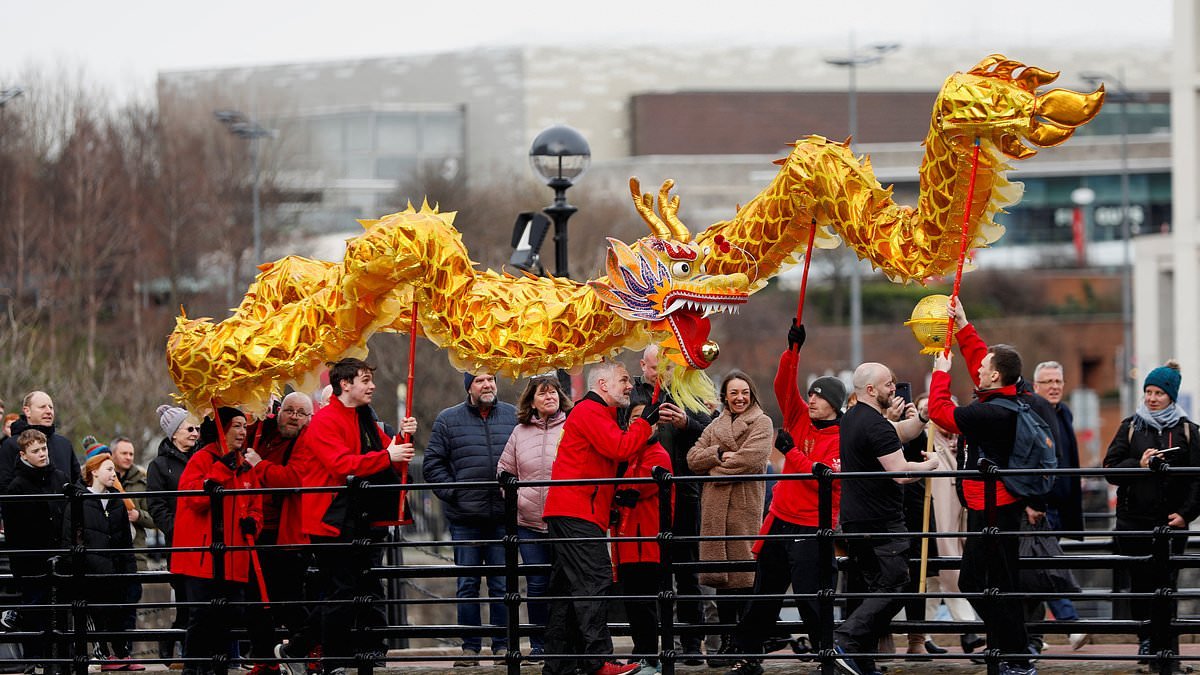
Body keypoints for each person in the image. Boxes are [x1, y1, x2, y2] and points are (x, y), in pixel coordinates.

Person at [927, 299, 1041, 675]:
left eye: (984, 369)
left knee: (979, 582)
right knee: (996, 580)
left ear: (995, 378)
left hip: (990, 505)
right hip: (997, 501)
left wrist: (940, 373)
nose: (978, 368)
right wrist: (963, 326)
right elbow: (984, 358)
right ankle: (1014, 653)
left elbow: (941, 413)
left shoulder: (987, 413)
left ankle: (1015, 654)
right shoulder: (1013, 396)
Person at [725, 321, 846, 675]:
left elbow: (825, 480)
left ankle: (827, 655)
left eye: (819, 396)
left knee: (811, 597)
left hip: (811, 527)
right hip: (780, 519)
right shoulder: (799, 417)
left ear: (834, 404)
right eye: (811, 394)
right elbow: (782, 386)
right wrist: (792, 351)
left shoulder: (842, 437)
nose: (811, 399)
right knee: (765, 593)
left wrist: (791, 453)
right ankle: (748, 655)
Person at [281, 358, 416, 675]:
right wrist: (389, 454)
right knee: (343, 591)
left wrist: (402, 437)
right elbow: (343, 464)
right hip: (328, 518)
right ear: (345, 384)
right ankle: (331, 661)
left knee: (350, 590)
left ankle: (297, 649)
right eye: (365, 380)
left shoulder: (360, 418)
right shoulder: (325, 420)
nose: (372, 386)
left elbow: (385, 452)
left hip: (351, 516)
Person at [540, 360, 656, 675]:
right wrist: (644, 423)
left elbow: (603, 460)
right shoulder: (590, 412)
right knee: (595, 579)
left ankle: (559, 665)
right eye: (623, 380)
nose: (629, 386)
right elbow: (621, 447)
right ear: (603, 385)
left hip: (570, 511)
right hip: (578, 512)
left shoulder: (592, 413)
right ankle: (597, 660)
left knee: (567, 591)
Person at [832, 361, 935, 675]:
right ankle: (846, 640)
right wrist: (933, 464)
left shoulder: (851, 419)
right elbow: (901, 473)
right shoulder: (875, 424)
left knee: (872, 588)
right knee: (895, 587)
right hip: (881, 522)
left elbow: (897, 433)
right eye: (889, 384)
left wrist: (922, 419)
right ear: (871, 390)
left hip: (856, 521)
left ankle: (862, 660)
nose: (895, 388)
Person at [1103, 360, 1200, 670]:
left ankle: (1166, 645)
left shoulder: (1188, 430)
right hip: (1134, 522)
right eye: (1148, 391)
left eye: (1158, 392)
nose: (1152, 398)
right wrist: (1139, 465)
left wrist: (1186, 515)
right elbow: (1110, 470)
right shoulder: (1131, 426)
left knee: (1167, 583)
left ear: (1171, 395)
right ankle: (1146, 638)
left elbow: (1198, 479)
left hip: (1172, 523)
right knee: (1140, 584)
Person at [423, 371, 518, 665]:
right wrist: (455, 493)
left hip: (503, 516)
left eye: (491, 379)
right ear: (469, 387)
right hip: (466, 518)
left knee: (502, 585)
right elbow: (432, 464)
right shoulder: (447, 419)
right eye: (479, 380)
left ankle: (503, 646)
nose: (487, 384)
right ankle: (470, 649)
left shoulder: (513, 415)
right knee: (467, 584)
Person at [624, 345, 712, 663]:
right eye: (651, 365)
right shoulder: (631, 394)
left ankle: (691, 643)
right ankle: (654, 644)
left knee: (687, 572)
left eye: (663, 365)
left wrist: (686, 423)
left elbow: (711, 432)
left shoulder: (687, 392)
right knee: (650, 574)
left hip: (685, 493)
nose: (656, 371)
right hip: (644, 496)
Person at [686, 369, 772, 667]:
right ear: (725, 396)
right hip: (714, 510)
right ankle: (725, 643)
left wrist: (713, 462)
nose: (739, 397)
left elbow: (751, 459)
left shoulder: (762, 422)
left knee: (744, 578)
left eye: (744, 392)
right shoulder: (716, 424)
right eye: (734, 393)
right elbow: (692, 458)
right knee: (722, 580)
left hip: (744, 508)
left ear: (751, 395)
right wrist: (720, 453)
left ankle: (747, 647)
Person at [170, 406, 262, 674]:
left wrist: (253, 523)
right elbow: (194, 500)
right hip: (203, 558)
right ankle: (194, 669)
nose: (243, 432)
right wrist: (220, 471)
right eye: (236, 425)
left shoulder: (245, 466)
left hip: (232, 556)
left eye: (244, 426)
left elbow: (255, 505)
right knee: (201, 616)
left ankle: (217, 668)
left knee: (228, 617)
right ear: (222, 430)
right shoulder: (201, 460)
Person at [497, 374, 572, 659]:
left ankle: (563, 643)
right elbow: (504, 469)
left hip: (563, 518)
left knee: (563, 582)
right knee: (537, 584)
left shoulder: (571, 427)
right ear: (532, 400)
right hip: (528, 521)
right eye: (542, 393)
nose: (549, 397)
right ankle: (539, 643)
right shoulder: (520, 432)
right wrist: (515, 496)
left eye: (553, 392)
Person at [242, 392, 314, 674]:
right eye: (289, 410)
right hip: (254, 529)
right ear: (278, 411)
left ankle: (307, 652)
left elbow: (293, 479)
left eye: (300, 412)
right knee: (255, 602)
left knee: (289, 600)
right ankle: (264, 659)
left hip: (286, 535)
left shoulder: (305, 441)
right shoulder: (261, 430)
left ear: (309, 418)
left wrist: (260, 465)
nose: (293, 416)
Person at [914, 395, 985, 657]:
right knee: (952, 573)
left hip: (959, 520)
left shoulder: (962, 443)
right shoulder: (929, 441)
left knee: (933, 582)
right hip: (938, 522)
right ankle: (970, 632)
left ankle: (921, 635)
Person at [1028, 361, 1091, 651]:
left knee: (1036, 569)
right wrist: (1032, 500)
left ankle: (1033, 635)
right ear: (1035, 385)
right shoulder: (1030, 413)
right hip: (1039, 504)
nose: (1054, 386)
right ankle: (1070, 623)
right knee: (1047, 565)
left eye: (1058, 381)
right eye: (1048, 381)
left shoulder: (1064, 412)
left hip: (1060, 502)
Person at [64, 452, 144, 671]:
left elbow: (126, 542)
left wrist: (131, 572)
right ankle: (103, 655)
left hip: (117, 568)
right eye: (109, 469)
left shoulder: (117, 501)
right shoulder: (79, 501)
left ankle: (122, 653)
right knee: (97, 613)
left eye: (114, 470)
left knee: (120, 611)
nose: (113, 474)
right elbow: (71, 539)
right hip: (92, 571)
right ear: (94, 472)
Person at [611, 401, 673, 675]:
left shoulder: (657, 455)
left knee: (644, 604)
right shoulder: (633, 456)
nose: (642, 424)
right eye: (636, 419)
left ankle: (649, 657)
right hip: (629, 543)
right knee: (635, 604)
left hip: (644, 543)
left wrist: (618, 490)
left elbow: (634, 488)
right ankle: (643, 655)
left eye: (645, 419)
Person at [4, 429, 68, 673]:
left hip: (60, 560)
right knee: (35, 613)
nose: (42, 454)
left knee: (62, 614)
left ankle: (61, 661)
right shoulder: (16, 488)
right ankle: (34, 661)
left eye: (44, 449)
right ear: (23, 454)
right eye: (36, 451)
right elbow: (14, 535)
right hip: (31, 563)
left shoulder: (59, 477)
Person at [146, 405, 201, 663]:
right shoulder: (159, 466)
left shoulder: (203, 457)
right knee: (186, 604)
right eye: (189, 428)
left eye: (197, 428)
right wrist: (177, 530)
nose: (194, 433)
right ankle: (178, 647)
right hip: (180, 544)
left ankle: (196, 654)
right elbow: (156, 506)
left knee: (204, 604)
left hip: (206, 541)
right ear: (173, 434)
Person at [0, 391, 82, 493]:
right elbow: (4, 486)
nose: (49, 411)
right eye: (42, 407)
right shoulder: (10, 445)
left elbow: (78, 481)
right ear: (27, 411)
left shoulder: (64, 443)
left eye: (51, 407)